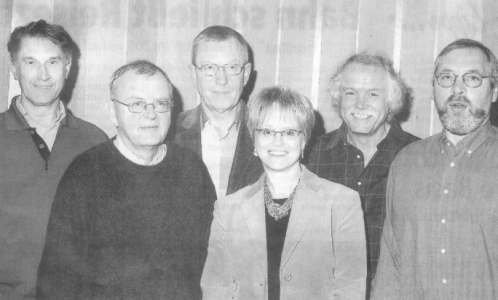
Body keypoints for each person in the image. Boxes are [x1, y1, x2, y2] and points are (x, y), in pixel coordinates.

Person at [37, 60, 216, 299]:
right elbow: (56, 281)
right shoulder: (85, 174)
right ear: (113, 113)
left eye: (161, 104)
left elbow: (209, 261)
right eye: (137, 104)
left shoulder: (191, 170)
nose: (151, 114)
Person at [202, 86, 367, 300]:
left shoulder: (342, 203)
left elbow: (350, 288)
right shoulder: (227, 210)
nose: (277, 141)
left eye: (289, 132)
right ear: (254, 140)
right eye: (267, 131)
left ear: (304, 140)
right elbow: (216, 288)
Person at [371, 39, 498, 299]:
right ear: (433, 88)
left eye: (472, 78)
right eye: (446, 78)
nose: (457, 89)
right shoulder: (406, 163)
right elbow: (390, 267)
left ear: (494, 90)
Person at [0, 20, 107, 299]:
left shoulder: (95, 141)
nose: (43, 75)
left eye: (53, 62)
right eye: (31, 62)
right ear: (13, 68)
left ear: (68, 67)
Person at [307, 53, 418, 297]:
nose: (360, 104)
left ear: (391, 100)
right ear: (338, 98)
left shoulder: (417, 158)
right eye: (351, 93)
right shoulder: (311, 156)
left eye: (373, 94)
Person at [174, 25, 263, 198]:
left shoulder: (273, 134)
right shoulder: (168, 133)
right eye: (209, 68)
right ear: (193, 74)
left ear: (245, 74)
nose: (221, 80)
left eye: (231, 68)